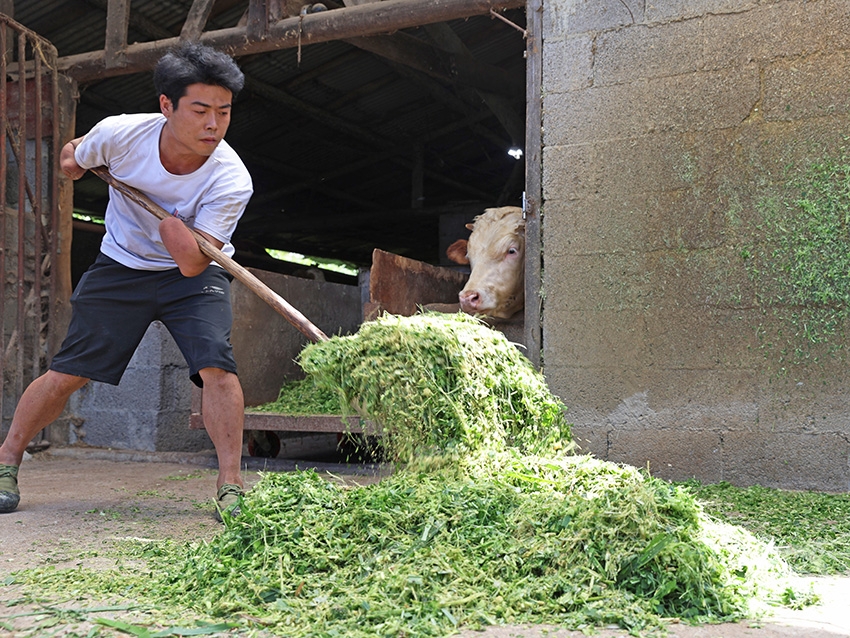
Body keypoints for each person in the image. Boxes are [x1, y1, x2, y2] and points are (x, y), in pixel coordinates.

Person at [0, 42, 253, 521]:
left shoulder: (231, 178)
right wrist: (74, 159)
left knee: (218, 368)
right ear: (166, 105)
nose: (212, 125)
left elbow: (192, 264)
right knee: (66, 373)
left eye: (223, 112)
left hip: (195, 275)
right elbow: (72, 161)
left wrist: (173, 226)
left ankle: (230, 484)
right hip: (121, 266)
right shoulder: (121, 135)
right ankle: (7, 459)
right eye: (200, 110)